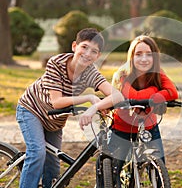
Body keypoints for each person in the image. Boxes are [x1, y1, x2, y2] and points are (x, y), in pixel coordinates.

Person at [16, 28, 123, 188]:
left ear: (98, 56)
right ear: (74, 46)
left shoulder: (90, 72)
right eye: (84, 47)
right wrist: (88, 98)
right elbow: (56, 102)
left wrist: (95, 107)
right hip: (31, 110)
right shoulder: (56, 63)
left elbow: (117, 96)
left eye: (94, 51)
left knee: (53, 167)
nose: (87, 54)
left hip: (55, 120)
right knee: (37, 153)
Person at [109, 35, 179, 186]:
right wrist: (156, 91)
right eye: (138, 54)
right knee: (112, 175)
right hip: (122, 128)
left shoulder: (158, 73)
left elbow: (173, 92)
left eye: (149, 54)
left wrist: (153, 95)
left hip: (149, 127)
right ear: (131, 57)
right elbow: (134, 96)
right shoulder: (122, 75)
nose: (144, 59)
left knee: (160, 172)